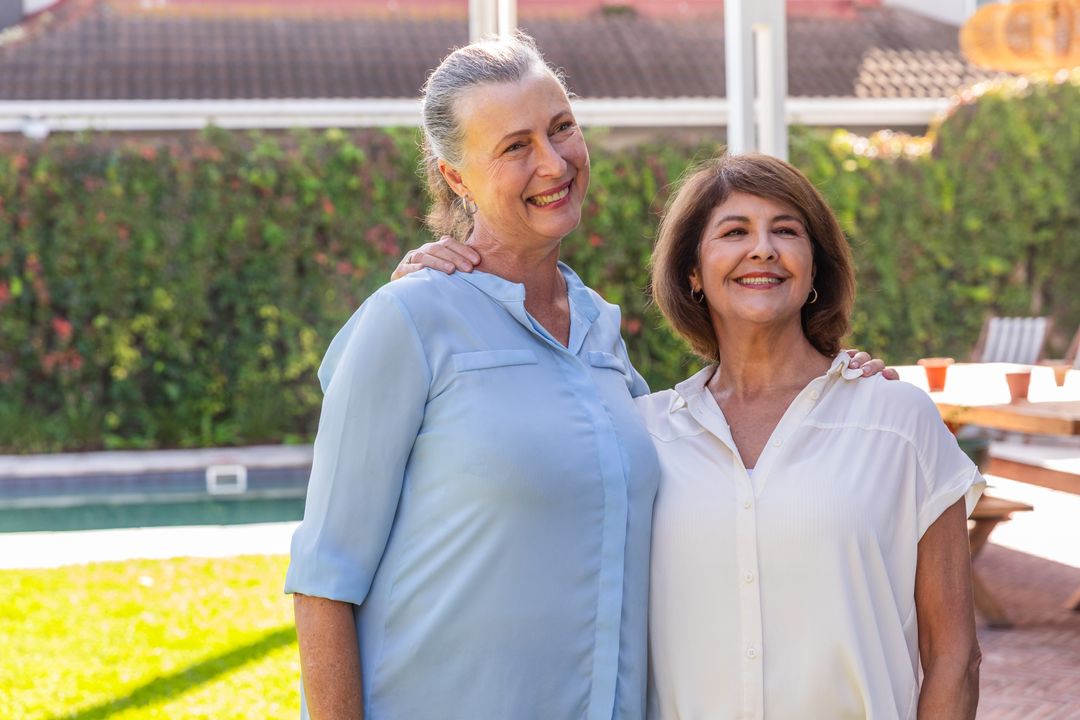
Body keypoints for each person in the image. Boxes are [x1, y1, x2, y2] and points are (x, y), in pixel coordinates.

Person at [395, 152, 981, 719]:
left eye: (786, 230)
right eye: (733, 231)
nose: (763, 248)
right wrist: (430, 291)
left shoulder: (899, 422)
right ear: (694, 273)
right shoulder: (642, 436)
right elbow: (520, 472)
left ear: (814, 271)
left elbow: (954, 657)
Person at [286, 34, 663, 720]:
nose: (553, 163)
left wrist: (827, 376)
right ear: (456, 176)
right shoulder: (410, 318)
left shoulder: (600, 328)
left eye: (561, 128)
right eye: (515, 146)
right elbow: (323, 579)